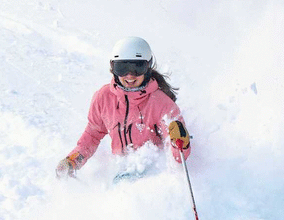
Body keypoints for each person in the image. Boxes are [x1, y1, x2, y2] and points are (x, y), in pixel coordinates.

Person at [56, 36, 191, 178]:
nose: (130, 75)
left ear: (148, 67)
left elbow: (177, 158)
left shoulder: (161, 104)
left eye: (137, 68)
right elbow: (92, 136)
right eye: (122, 68)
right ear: (113, 68)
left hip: (154, 173)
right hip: (120, 170)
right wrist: (73, 161)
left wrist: (179, 143)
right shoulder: (104, 97)